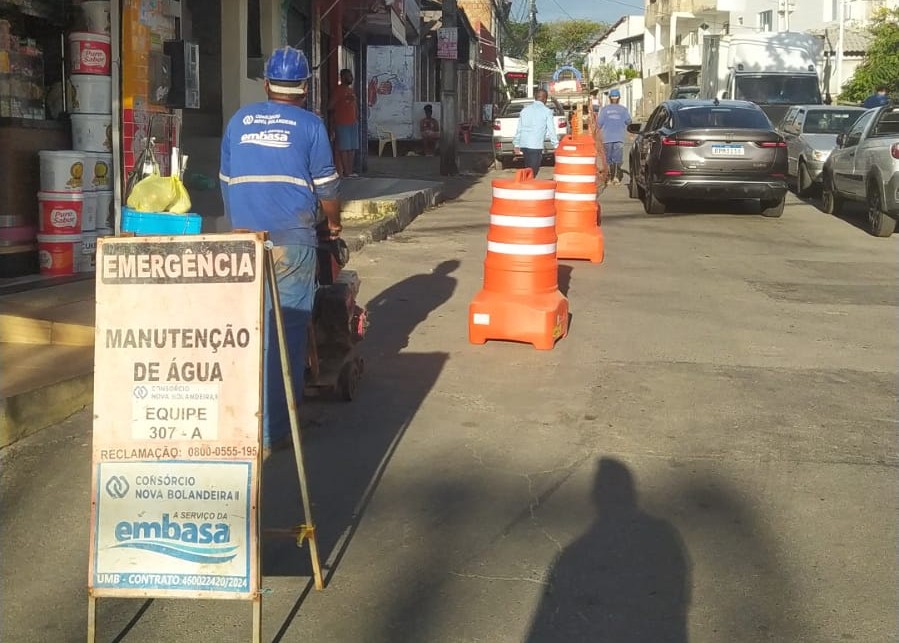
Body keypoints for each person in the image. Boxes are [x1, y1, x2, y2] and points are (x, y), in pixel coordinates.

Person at [219, 46, 341, 453]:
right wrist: (334, 223)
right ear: (305, 87)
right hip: (291, 239)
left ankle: (235, 419)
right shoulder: (310, 125)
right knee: (282, 333)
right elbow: (327, 188)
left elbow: (226, 182)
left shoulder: (239, 120)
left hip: (243, 240)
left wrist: (240, 222)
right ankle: (273, 430)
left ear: (267, 84)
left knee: (245, 330)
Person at [513, 89, 559, 177]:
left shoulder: (524, 111)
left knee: (528, 168)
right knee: (533, 171)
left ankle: (527, 185)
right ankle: (529, 187)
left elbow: (519, 129)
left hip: (524, 144)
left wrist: (516, 144)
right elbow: (551, 130)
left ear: (535, 98)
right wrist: (556, 145)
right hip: (535, 145)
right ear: (545, 99)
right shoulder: (547, 112)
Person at [597, 88, 632, 185]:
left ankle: (608, 178)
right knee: (617, 158)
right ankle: (616, 178)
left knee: (608, 158)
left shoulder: (604, 110)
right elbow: (629, 121)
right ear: (619, 98)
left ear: (609, 98)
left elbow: (599, 124)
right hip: (619, 138)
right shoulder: (623, 110)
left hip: (607, 138)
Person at [329, 68, 359, 177]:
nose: (351, 78)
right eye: (349, 76)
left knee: (352, 148)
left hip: (353, 122)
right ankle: (346, 172)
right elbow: (330, 105)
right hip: (342, 122)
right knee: (344, 148)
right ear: (343, 77)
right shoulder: (339, 90)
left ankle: (350, 171)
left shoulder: (350, 90)